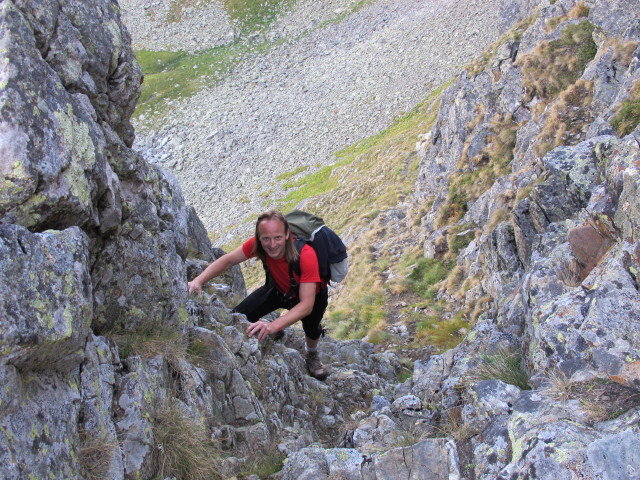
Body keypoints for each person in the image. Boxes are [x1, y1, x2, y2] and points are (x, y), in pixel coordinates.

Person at [188, 210, 329, 380]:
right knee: (238, 316)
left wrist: (273, 326)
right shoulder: (257, 245)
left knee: (312, 329)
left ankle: (312, 354)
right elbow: (228, 261)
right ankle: (275, 330)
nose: (272, 244)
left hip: (311, 297)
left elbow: (306, 305)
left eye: (277, 237)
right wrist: (198, 281)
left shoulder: (306, 255)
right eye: (266, 239)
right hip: (277, 290)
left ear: (287, 235)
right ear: (259, 238)